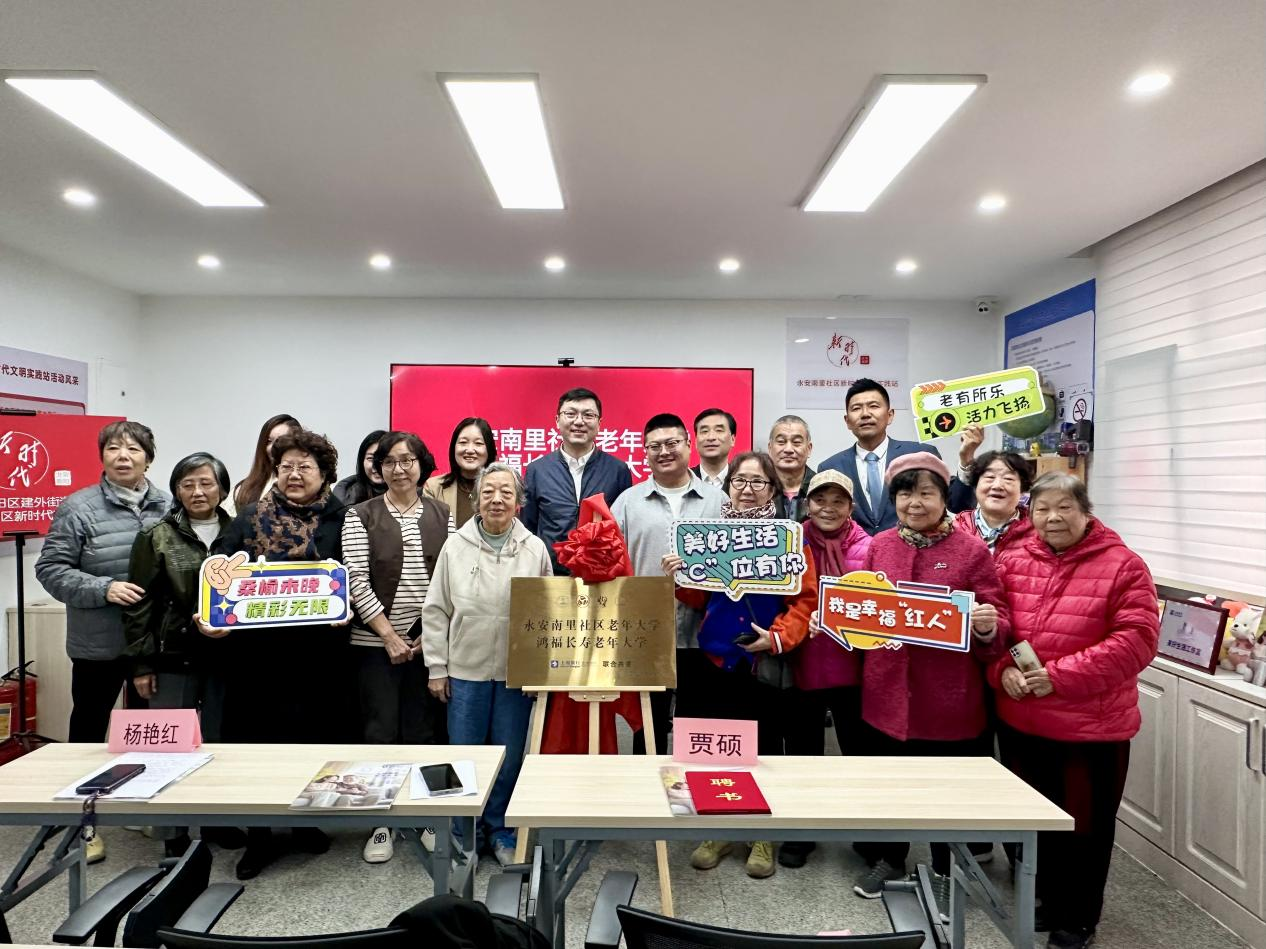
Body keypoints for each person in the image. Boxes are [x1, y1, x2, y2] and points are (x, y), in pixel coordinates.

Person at [990, 474, 1158, 949]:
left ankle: (1079, 918)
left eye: (1064, 507)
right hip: (1022, 721)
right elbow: (996, 626)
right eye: (1042, 509)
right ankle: (1047, 901)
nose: (1053, 518)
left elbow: (1136, 641)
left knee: (1085, 828)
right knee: (1035, 822)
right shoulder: (1012, 560)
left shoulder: (1124, 565)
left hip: (1090, 730)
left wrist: (1058, 677)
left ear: (1086, 511)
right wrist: (1001, 669)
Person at [851, 452, 1007, 920]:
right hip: (886, 690)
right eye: (904, 493)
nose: (914, 503)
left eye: (925, 493)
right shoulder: (880, 545)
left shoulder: (971, 551)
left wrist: (986, 626)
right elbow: (862, 608)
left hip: (948, 697)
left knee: (945, 792)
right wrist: (837, 619)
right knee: (889, 784)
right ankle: (890, 857)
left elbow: (998, 618)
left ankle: (944, 870)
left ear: (944, 498)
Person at [204, 429, 350, 880]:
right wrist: (212, 614)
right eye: (286, 466)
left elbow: (357, 575)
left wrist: (345, 608)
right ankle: (261, 835)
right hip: (257, 661)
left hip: (317, 658)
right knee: (257, 747)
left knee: (311, 742)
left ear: (324, 474)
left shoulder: (343, 519)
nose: (294, 474)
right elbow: (219, 570)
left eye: (305, 466)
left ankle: (305, 824)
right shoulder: (250, 518)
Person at [668, 451, 817, 880]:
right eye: (740, 481)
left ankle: (761, 834)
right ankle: (718, 829)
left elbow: (805, 601)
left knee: (763, 748)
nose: (747, 490)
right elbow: (698, 598)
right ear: (727, 486)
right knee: (715, 747)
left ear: (773, 490)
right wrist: (679, 575)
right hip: (714, 656)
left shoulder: (789, 539)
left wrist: (777, 637)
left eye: (758, 482)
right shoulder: (709, 537)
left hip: (761, 660)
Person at [34, 420, 169, 864]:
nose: (123, 456)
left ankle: (143, 808)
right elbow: (51, 569)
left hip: (152, 645)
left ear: (149, 457)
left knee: (149, 731)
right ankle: (82, 824)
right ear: (102, 456)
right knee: (89, 732)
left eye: (133, 448)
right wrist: (104, 588)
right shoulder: (78, 507)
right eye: (113, 448)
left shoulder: (168, 505)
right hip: (99, 643)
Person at [421, 463, 553, 867]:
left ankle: (501, 832)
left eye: (506, 493)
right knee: (464, 757)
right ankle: (465, 836)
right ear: (476, 500)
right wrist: (437, 667)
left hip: (516, 675)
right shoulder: (455, 547)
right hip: (465, 670)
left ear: (519, 502)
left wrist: (540, 672)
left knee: (509, 758)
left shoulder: (534, 549)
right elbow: (436, 610)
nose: (497, 499)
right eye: (488, 492)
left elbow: (549, 615)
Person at [342, 431, 454, 864]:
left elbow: (450, 580)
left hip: (427, 641)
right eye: (389, 461)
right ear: (379, 469)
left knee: (424, 730)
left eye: (407, 460)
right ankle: (381, 822)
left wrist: (431, 634)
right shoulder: (360, 515)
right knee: (380, 730)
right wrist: (387, 635)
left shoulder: (444, 514)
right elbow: (355, 579)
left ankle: (425, 817)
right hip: (374, 642)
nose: (399, 469)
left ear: (422, 465)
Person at [123, 451, 240, 857]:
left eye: (207, 483)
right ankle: (172, 832)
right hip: (172, 654)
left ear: (222, 489)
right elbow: (139, 604)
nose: (197, 492)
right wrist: (141, 663)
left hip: (225, 656)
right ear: (176, 489)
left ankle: (215, 822)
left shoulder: (238, 533)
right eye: (187, 484)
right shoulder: (156, 535)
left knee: (220, 742)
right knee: (169, 744)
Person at [611, 414, 724, 754]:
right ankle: (646, 786)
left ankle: (693, 785)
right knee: (648, 728)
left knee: (698, 728)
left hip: (703, 633)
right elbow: (610, 567)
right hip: (646, 634)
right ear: (644, 452)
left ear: (688, 445)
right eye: (654, 446)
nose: (664, 452)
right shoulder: (627, 502)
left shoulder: (718, 501)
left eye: (672, 443)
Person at [778, 469, 871, 869]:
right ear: (807, 504)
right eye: (819, 500)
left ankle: (868, 837)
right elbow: (778, 596)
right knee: (803, 754)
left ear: (851, 507)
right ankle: (802, 833)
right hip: (805, 664)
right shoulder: (790, 541)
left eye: (838, 501)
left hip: (855, 671)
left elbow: (883, 607)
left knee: (859, 753)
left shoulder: (869, 546)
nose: (828, 509)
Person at [521, 388, 632, 573]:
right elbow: (528, 528)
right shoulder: (537, 470)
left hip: (603, 577)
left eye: (588, 415)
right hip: (550, 575)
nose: (579, 421)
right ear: (557, 420)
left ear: (599, 423)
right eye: (571, 414)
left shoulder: (618, 470)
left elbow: (624, 530)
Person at [819, 379, 943, 535]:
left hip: (914, 547)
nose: (865, 414)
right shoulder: (830, 467)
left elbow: (954, 502)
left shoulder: (921, 455)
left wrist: (965, 462)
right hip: (855, 550)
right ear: (847, 421)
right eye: (856, 408)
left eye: (873, 406)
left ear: (890, 415)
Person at [953, 448, 1036, 555]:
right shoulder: (954, 530)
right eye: (990, 477)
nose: (997, 486)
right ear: (975, 485)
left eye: (1008, 478)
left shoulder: (1039, 531)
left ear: (1022, 489)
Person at [423, 417, 497, 529]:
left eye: (478, 443)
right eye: (463, 442)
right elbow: (428, 531)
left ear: (489, 450)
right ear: (454, 448)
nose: (470, 450)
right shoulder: (434, 488)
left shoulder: (502, 489)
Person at [232, 414, 301, 510]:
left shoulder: (307, 485)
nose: (273, 447)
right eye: (268, 441)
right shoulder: (243, 489)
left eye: (281, 441)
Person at [767, 415, 815, 520]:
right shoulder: (758, 488)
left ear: (809, 449)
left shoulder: (821, 488)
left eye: (796, 442)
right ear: (770, 448)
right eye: (781, 442)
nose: (788, 449)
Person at [332, 429, 387, 506]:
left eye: (383, 459)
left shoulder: (403, 496)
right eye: (370, 458)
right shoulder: (344, 494)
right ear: (362, 461)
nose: (376, 466)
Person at [690, 408, 737, 488]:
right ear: (696, 441)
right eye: (704, 431)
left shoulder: (742, 482)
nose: (711, 437)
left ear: (732, 439)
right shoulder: (682, 481)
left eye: (719, 430)